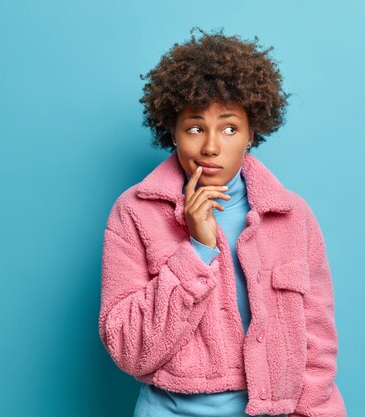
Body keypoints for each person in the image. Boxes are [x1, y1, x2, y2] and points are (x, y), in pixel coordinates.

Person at [98, 27, 347, 417]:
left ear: (251, 134)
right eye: (195, 128)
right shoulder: (134, 211)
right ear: (174, 134)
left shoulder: (291, 216)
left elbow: (317, 346)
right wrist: (196, 249)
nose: (211, 146)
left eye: (229, 128)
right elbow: (129, 350)